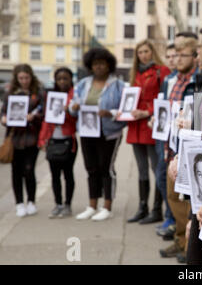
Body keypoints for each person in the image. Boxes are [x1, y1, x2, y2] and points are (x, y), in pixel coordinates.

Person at [161, 37, 202, 260]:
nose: (177, 59)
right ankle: (180, 241)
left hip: (188, 148)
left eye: (183, 55)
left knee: (186, 202)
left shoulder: (199, 81)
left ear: (195, 57)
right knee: (172, 198)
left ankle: (188, 246)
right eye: (175, 55)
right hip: (171, 146)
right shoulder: (172, 81)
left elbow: (198, 117)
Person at [70, 48, 127, 222]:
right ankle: (92, 205)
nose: (99, 67)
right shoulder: (83, 84)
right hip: (87, 132)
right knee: (91, 168)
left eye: (102, 63)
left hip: (109, 133)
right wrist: (74, 107)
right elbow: (74, 104)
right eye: (95, 64)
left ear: (109, 65)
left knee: (106, 168)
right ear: (90, 66)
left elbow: (125, 111)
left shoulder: (118, 85)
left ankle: (107, 206)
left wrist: (110, 113)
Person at [122, 39, 171, 224]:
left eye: (146, 51)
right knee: (141, 170)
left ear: (152, 51)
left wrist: (147, 111)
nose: (143, 55)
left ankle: (157, 209)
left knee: (156, 168)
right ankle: (143, 207)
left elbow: (165, 100)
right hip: (135, 126)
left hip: (151, 125)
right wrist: (124, 110)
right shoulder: (135, 73)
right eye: (140, 52)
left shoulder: (161, 71)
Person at [1, 64, 45, 217]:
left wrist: (35, 117)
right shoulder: (11, 94)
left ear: (31, 77)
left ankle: (31, 201)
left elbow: (44, 112)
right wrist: (4, 119)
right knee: (16, 171)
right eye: (21, 78)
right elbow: (4, 113)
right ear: (16, 78)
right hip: (15, 137)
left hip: (31, 137)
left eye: (26, 78)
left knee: (29, 170)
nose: (24, 81)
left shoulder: (38, 94)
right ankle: (19, 203)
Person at [38, 67, 78, 218]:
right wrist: (42, 140)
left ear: (70, 80)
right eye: (59, 78)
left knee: (68, 174)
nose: (62, 81)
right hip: (53, 141)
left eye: (65, 78)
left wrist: (69, 111)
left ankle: (68, 204)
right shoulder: (51, 96)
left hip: (68, 140)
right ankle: (58, 204)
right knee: (54, 175)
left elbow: (76, 120)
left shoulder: (75, 97)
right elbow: (46, 121)